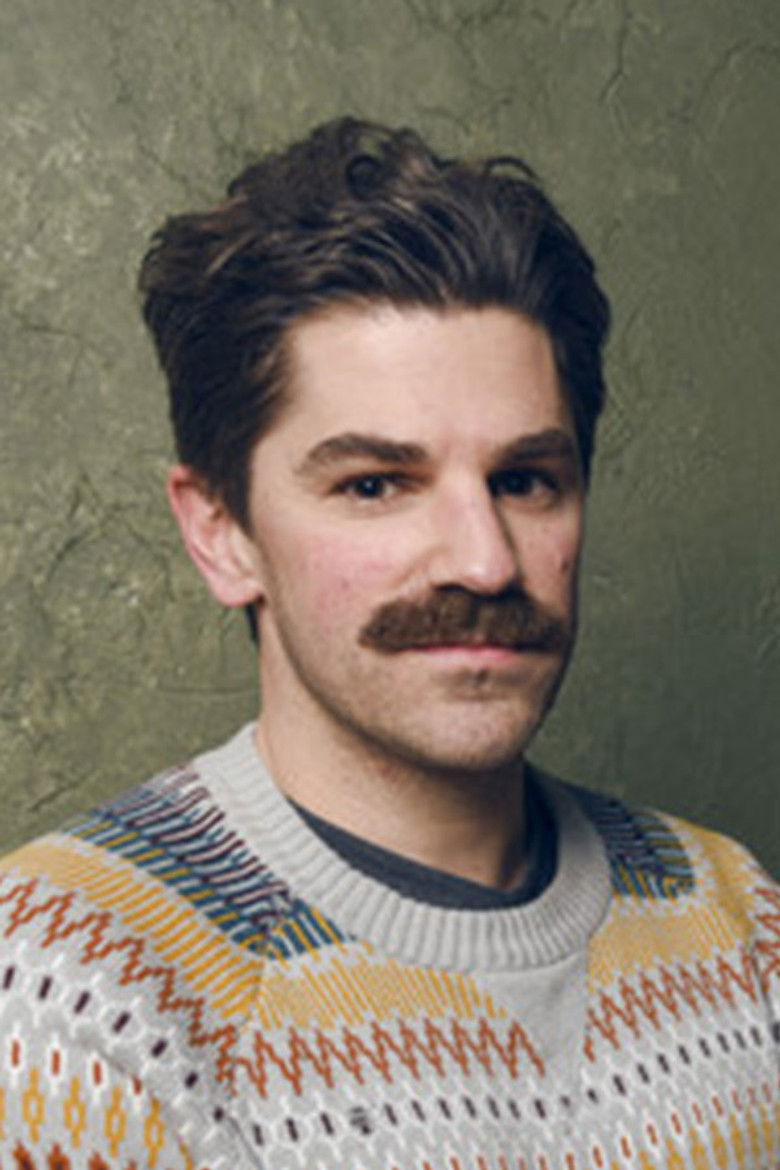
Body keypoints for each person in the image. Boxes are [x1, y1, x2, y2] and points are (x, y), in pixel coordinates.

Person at [0, 117, 776, 1170]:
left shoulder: (736, 916)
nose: (485, 562)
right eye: (374, 485)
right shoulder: (68, 992)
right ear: (221, 533)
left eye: (525, 480)